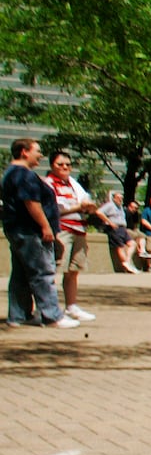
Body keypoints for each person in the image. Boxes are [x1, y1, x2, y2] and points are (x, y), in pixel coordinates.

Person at [4, 138, 77, 329]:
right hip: (30, 231)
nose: (41, 155)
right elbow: (31, 202)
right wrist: (45, 226)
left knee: (21, 275)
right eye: (37, 151)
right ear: (24, 152)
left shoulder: (11, 173)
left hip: (18, 230)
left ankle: (19, 315)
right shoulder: (23, 174)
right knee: (42, 272)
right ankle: (52, 316)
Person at [45, 151, 97, 322]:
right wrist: (78, 207)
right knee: (54, 269)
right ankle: (47, 308)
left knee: (73, 270)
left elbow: (86, 204)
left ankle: (71, 306)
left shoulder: (74, 184)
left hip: (79, 229)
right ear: (52, 165)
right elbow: (55, 209)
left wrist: (87, 207)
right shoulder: (49, 184)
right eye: (60, 164)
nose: (65, 167)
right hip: (62, 230)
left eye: (68, 164)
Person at [98, 190, 139, 273]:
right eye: (118, 198)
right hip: (114, 229)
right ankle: (127, 265)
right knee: (120, 247)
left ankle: (127, 262)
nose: (120, 199)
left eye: (122, 198)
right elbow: (98, 212)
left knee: (133, 244)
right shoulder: (109, 205)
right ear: (114, 198)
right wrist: (110, 222)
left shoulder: (120, 207)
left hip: (123, 229)